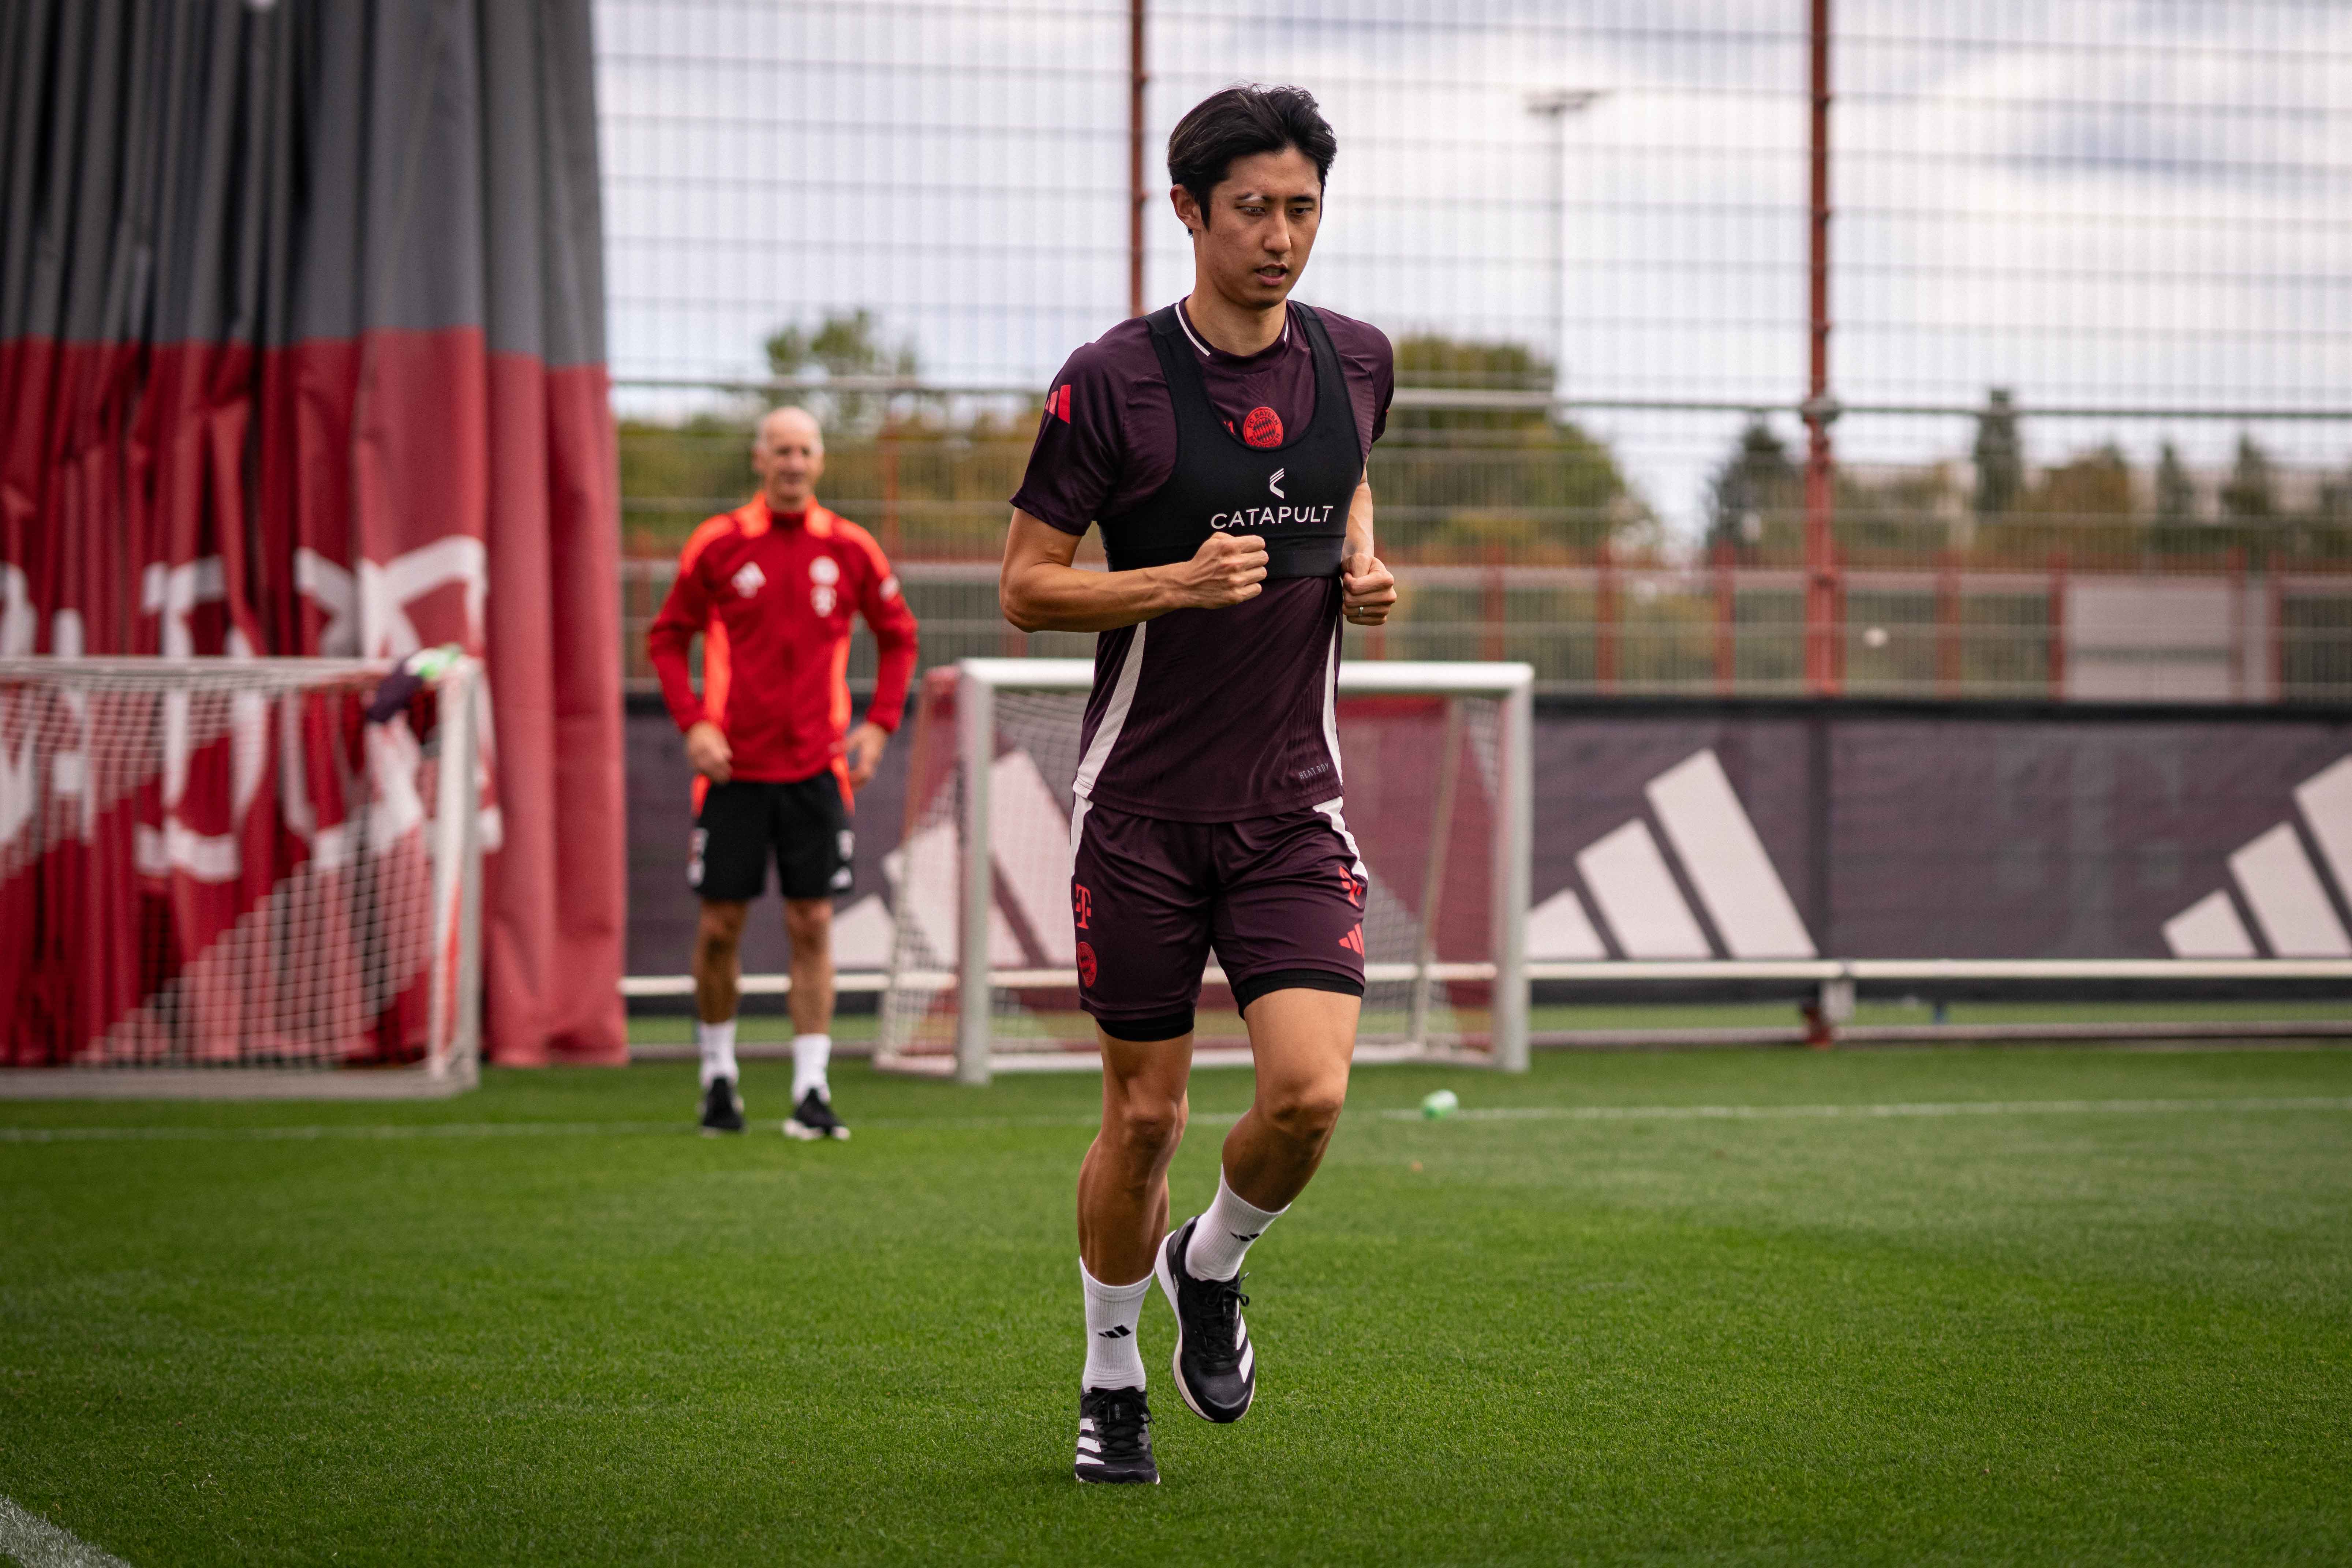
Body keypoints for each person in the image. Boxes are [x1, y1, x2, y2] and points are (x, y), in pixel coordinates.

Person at [998, 84, 1398, 1485]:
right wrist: (1173, 581)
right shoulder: (1108, 380)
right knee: (1147, 1113)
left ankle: (1207, 1261)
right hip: (1143, 813)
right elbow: (1023, 590)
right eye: (1251, 210)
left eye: (1300, 208)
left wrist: (1361, 559)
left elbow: (1339, 479)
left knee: (1305, 1098)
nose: (1279, 238)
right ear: (1185, 211)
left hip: (1292, 805)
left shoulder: (1357, 360)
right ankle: (1110, 1375)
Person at [648, 406, 919, 1139]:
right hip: (732, 770)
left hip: (817, 773)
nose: (793, 463)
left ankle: (810, 1088)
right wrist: (694, 723)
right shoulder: (721, 542)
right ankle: (718, 1077)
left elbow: (899, 638)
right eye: (781, 450)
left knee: (811, 924)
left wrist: (879, 726)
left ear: (821, 461)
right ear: (758, 459)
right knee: (719, 928)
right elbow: (668, 637)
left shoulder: (852, 548)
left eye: (805, 450)